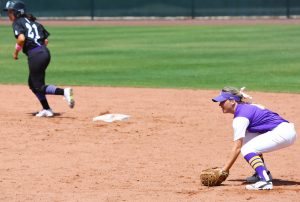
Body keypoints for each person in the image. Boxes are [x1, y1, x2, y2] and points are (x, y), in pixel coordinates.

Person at [212, 86, 297, 190]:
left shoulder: (240, 118)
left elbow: (237, 148)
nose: (219, 104)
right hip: (285, 131)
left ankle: (265, 181)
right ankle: (262, 173)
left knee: (247, 149)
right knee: (248, 137)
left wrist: (224, 170)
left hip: (282, 133)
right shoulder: (246, 106)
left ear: (232, 101)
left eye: (222, 101)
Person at [3, 1, 75, 117]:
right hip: (44, 52)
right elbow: (45, 41)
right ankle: (46, 109)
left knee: (38, 86)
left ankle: (64, 92)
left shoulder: (17, 22)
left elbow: (21, 39)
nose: (8, 14)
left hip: (36, 55)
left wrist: (16, 52)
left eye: (10, 11)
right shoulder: (35, 23)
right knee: (33, 84)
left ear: (17, 12)